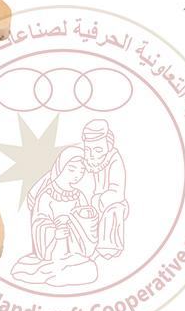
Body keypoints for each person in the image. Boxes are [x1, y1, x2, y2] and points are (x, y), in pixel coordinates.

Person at [10, 146, 99, 287]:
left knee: (88, 267)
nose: (77, 175)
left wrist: (84, 220)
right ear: (60, 167)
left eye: (81, 171)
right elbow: (39, 223)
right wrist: (55, 232)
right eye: (72, 169)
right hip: (55, 245)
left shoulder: (79, 195)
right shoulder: (46, 195)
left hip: (74, 246)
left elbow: (84, 219)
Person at [76, 119, 128, 259]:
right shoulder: (88, 161)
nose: (92, 155)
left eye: (98, 150)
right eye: (88, 150)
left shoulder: (114, 160)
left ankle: (107, 249)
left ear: (108, 146)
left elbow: (117, 193)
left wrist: (97, 200)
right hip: (91, 204)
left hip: (110, 203)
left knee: (113, 210)